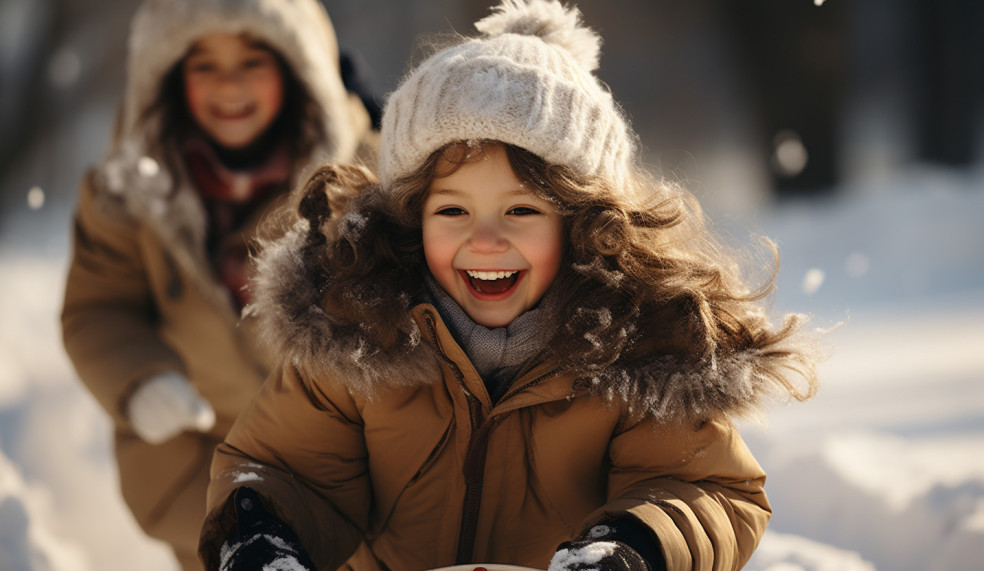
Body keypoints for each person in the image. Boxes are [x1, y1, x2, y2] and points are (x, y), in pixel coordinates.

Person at [198, 1, 820, 570]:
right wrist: (261, 532)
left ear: (583, 225)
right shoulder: (360, 337)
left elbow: (703, 486)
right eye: (452, 212)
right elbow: (286, 467)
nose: (485, 241)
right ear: (411, 220)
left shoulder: (633, 350)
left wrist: (635, 545)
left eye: (521, 211)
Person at [60, 0, 377, 569]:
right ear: (170, 77)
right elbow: (98, 306)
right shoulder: (126, 194)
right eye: (203, 64)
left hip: (348, 474)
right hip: (201, 474)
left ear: (296, 69)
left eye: (253, 60)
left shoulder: (366, 183)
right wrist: (140, 378)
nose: (228, 83)